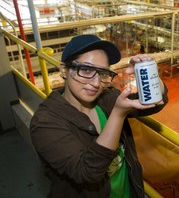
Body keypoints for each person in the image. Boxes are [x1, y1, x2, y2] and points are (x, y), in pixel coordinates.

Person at [30, 34, 168, 198]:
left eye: (102, 73)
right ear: (64, 70)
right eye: (86, 70)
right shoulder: (45, 123)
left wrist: (149, 72)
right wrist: (118, 114)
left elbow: (153, 104)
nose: (96, 83)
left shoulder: (106, 98)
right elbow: (87, 171)